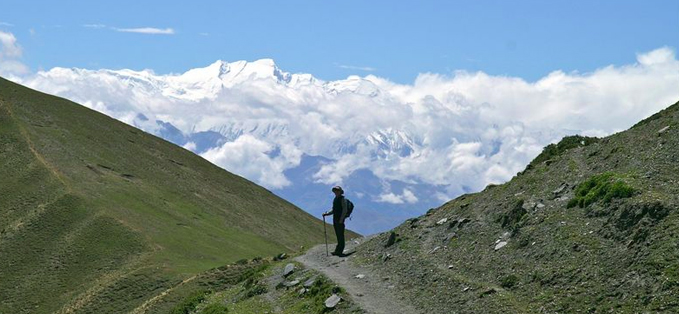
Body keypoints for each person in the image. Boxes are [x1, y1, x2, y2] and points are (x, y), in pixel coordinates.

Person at [323, 186, 349, 256]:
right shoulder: (335, 199)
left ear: (340, 191)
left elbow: (344, 210)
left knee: (340, 235)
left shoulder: (343, 199)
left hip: (340, 220)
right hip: (335, 219)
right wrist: (327, 213)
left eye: (337, 190)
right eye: (335, 190)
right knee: (338, 235)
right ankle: (338, 250)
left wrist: (341, 219)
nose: (336, 192)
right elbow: (333, 209)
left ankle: (339, 251)